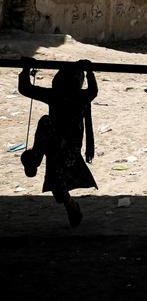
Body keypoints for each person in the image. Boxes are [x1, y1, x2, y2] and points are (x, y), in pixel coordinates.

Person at [18, 60, 98, 227]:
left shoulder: (56, 95)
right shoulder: (80, 96)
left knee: (46, 122)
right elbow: (93, 90)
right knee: (56, 178)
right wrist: (90, 72)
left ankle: (36, 157)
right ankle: (70, 205)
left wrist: (26, 68)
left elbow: (25, 88)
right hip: (66, 149)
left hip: (61, 147)